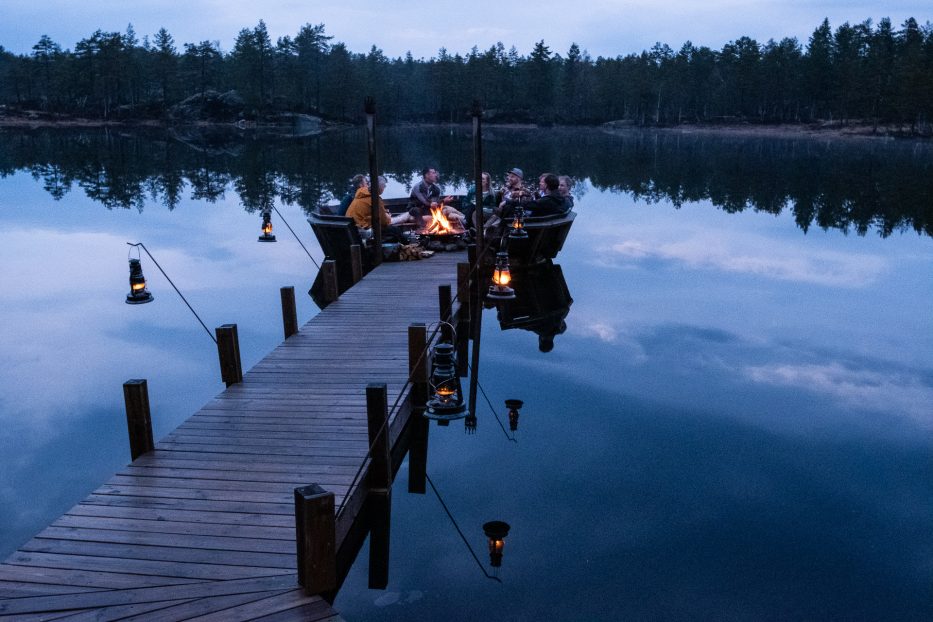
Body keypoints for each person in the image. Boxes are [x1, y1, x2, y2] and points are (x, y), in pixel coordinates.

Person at [345, 176, 411, 242]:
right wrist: (387, 217)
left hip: (353, 229)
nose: (384, 188)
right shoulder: (375, 199)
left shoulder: (360, 195)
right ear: (381, 187)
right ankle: (407, 244)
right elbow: (384, 222)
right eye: (384, 186)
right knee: (395, 230)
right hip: (363, 231)